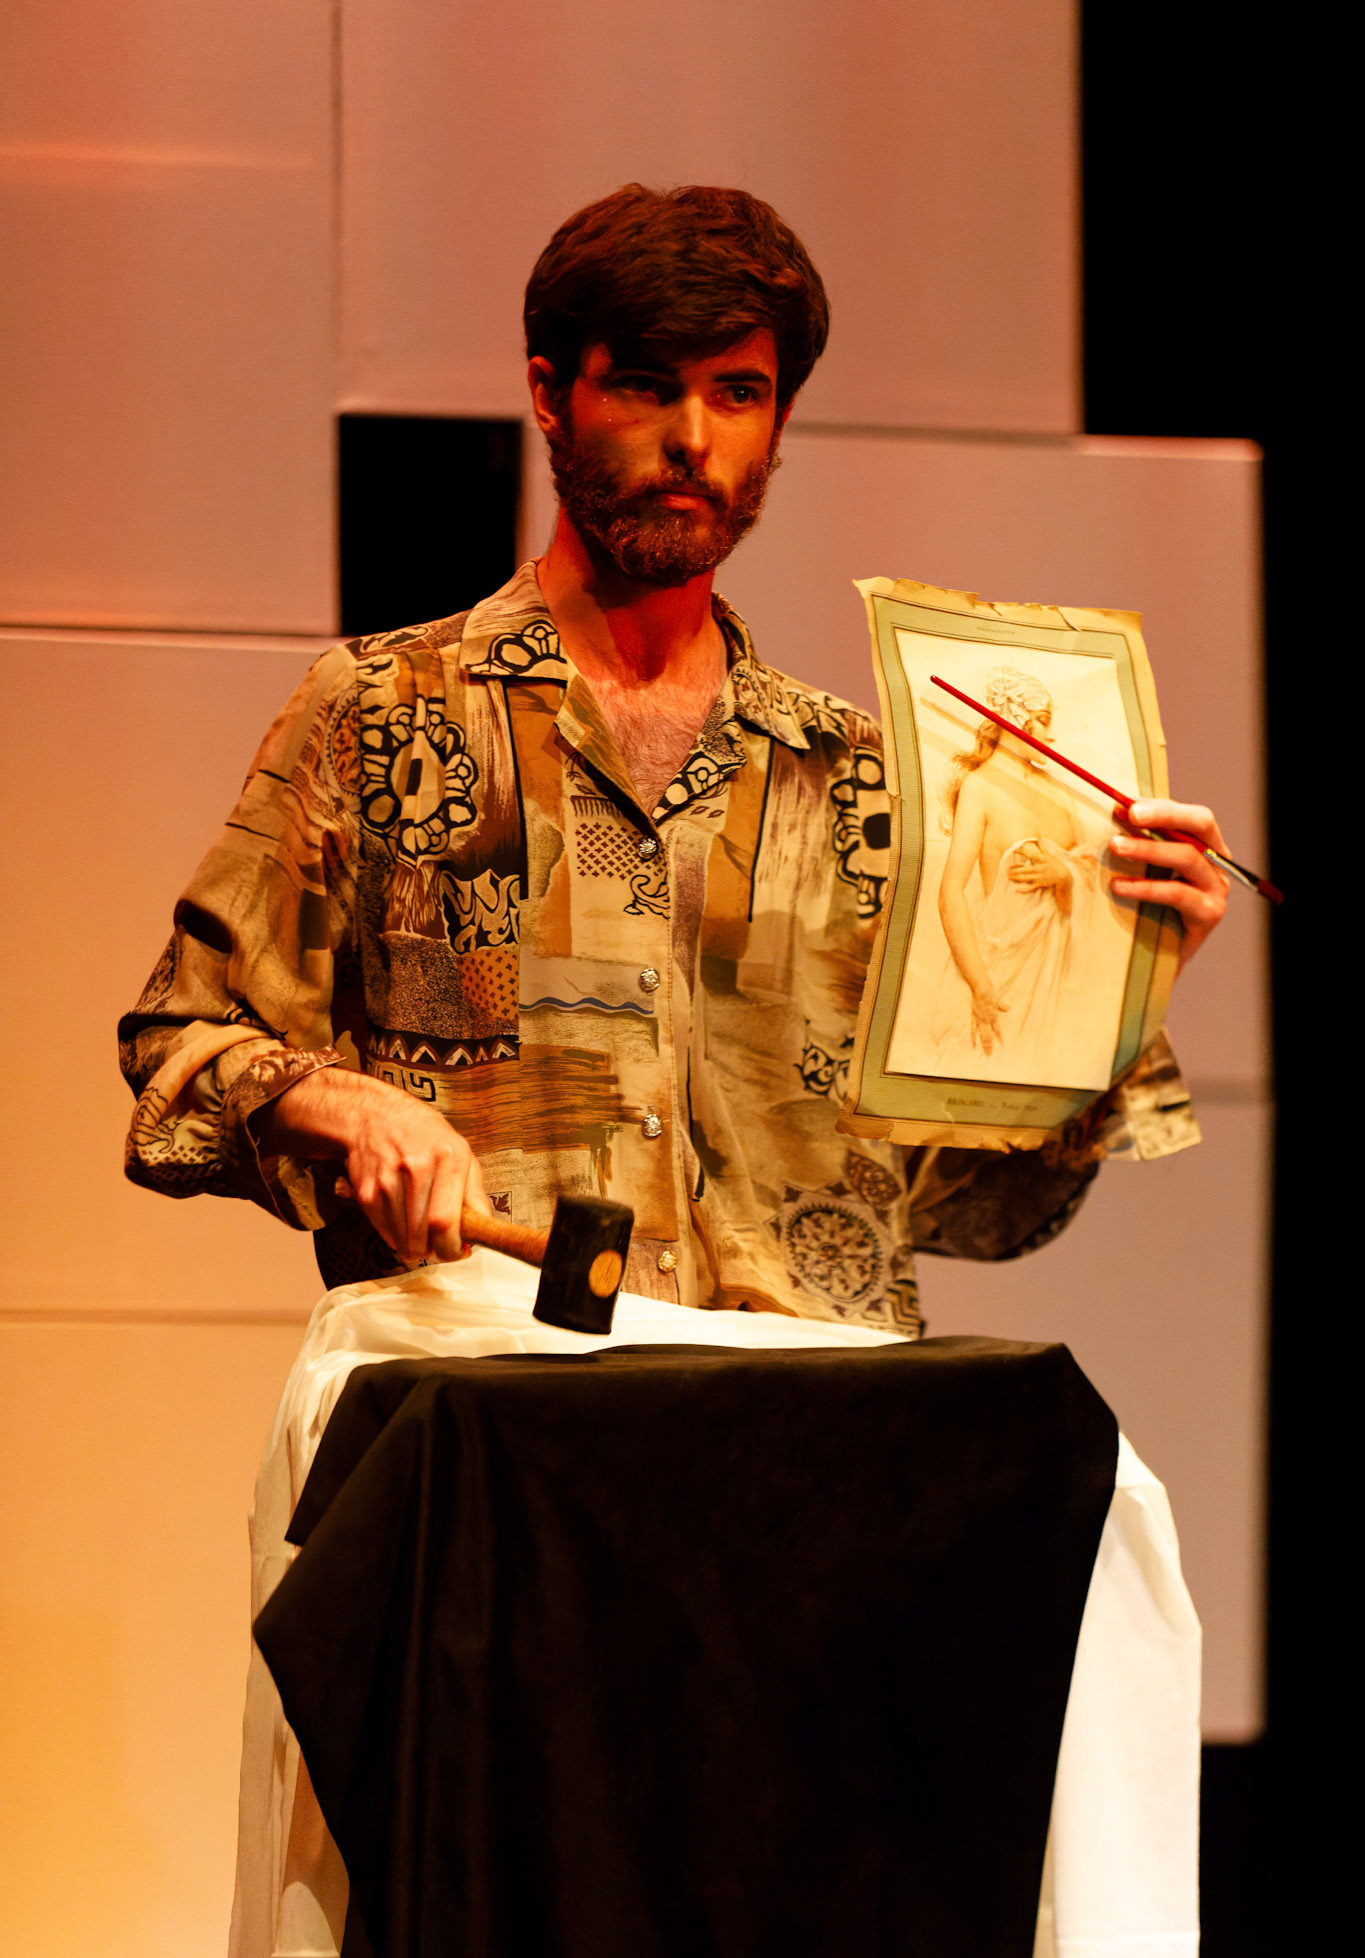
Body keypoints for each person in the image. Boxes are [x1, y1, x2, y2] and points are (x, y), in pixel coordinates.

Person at [118, 183, 1231, 1340]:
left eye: (737, 393)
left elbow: (968, 1200)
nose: (694, 439)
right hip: (502, 1398)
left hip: (807, 1418)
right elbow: (179, 1042)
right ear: (551, 394)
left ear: (778, 422)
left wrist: (1109, 976)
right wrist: (342, 1103)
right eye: (648, 384)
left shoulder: (862, 782)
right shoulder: (382, 711)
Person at [933, 667, 1101, 1078]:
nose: (1050, 735)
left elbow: (1091, 878)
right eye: (1043, 721)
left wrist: (1066, 875)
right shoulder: (981, 787)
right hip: (1001, 970)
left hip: (1059, 971)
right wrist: (980, 985)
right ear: (1018, 719)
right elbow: (951, 892)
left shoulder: (1060, 791)